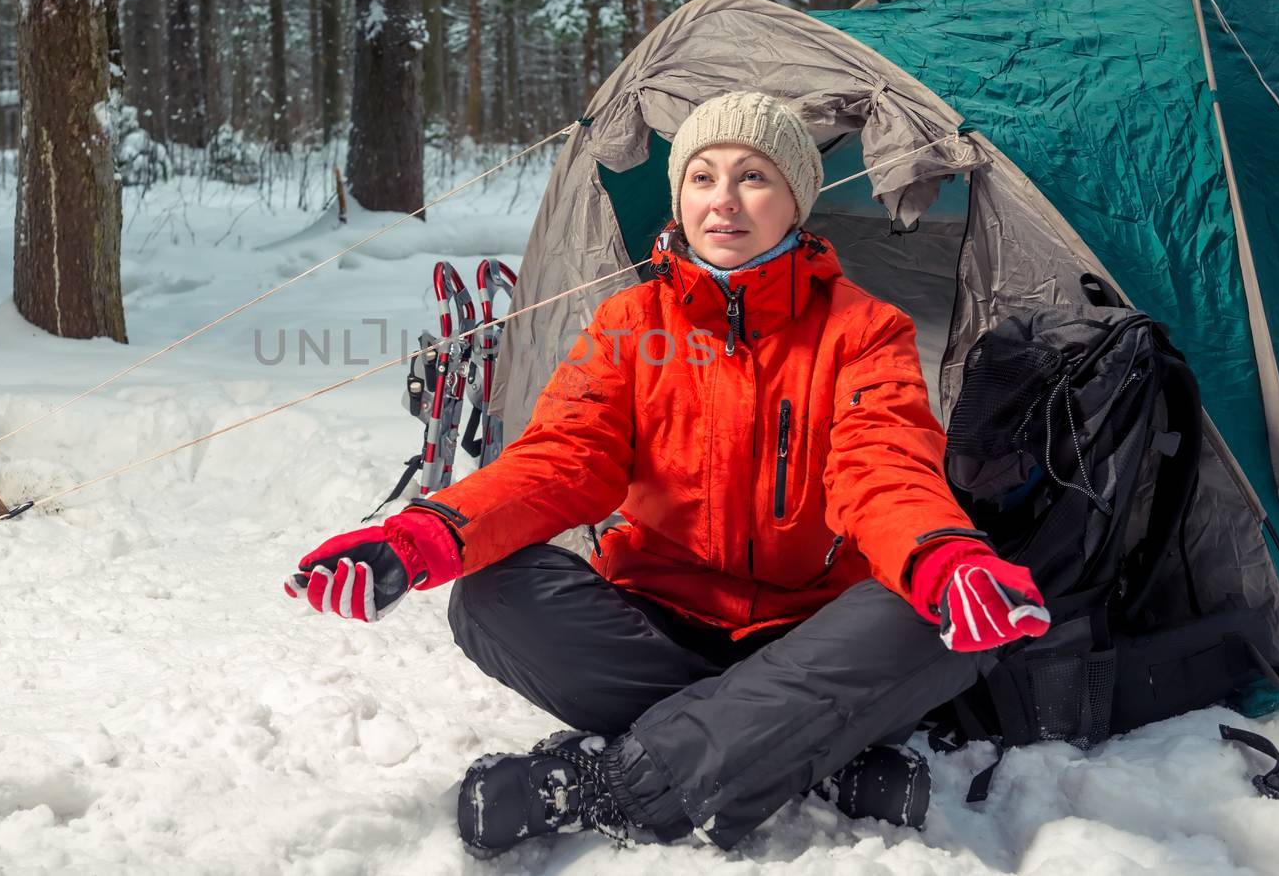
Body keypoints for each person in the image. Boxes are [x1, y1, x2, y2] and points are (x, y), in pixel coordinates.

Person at [285, 91, 1051, 857]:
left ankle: (609, 786)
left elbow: (882, 466)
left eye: (753, 177)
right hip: (662, 624)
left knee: (935, 622)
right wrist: (415, 540)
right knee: (489, 595)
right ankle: (792, 749)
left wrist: (941, 558)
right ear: (679, 197)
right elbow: (560, 460)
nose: (723, 201)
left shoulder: (863, 330)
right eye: (702, 177)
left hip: (813, 635)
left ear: (795, 201)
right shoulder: (631, 324)